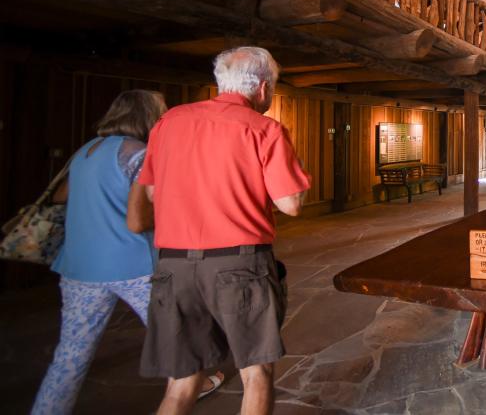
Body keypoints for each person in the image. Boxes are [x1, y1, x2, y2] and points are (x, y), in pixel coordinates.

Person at [137, 47, 311, 415]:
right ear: (263, 88)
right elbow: (291, 203)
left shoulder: (170, 122)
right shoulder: (265, 129)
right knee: (256, 372)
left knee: (182, 381)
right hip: (239, 264)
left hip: (174, 266)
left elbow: (152, 192)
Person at [30, 90, 222, 415]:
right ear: (146, 116)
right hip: (134, 265)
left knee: (70, 354)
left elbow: (61, 197)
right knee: (177, 333)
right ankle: (192, 385)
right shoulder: (140, 155)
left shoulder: (85, 152)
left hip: (79, 267)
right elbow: (160, 206)